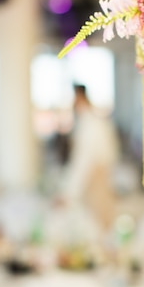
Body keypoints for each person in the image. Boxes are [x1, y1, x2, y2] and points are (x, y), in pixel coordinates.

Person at [59, 84, 120, 236]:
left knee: (98, 228)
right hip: (97, 180)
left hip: (96, 183)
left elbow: (83, 162)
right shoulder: (94, 121)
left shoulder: (90, 124)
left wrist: (69, 194)